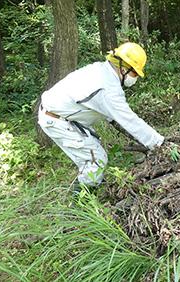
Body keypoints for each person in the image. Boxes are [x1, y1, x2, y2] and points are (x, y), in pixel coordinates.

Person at [37, 42, 165, 193]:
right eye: (135, 73)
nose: (135, 77)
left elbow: (113, 117)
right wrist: (159, 144)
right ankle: (80, 202)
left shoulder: (102, 70)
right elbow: (130, 120)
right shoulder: (107, 89)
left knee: (93, 151)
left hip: (64, 115)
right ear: (124, 68)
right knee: (96, 160)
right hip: (57, 120)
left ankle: (91, 185)